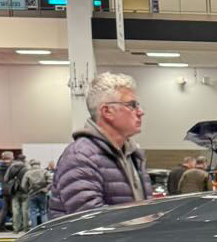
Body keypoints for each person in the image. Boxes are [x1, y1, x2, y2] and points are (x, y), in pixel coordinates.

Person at [48, 72, 152, 218]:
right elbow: (90, 219)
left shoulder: (133, 156)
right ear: (107, 111)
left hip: (127, 240)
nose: (141, 112)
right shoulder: (80, 156)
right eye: (132, 105)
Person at [23, 156, 52, 228]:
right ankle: (45, 228)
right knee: (43, 211)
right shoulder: (45, 172)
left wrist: (28, 191)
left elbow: (23, 185)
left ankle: (34, 228)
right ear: (39, 164)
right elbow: (51, 181)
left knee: (33, 212)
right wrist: (46, 189)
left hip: (32, 193)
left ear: (31, 165)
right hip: (42, 194)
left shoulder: (28, 173)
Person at [0, 149, 16, 229]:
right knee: (14, 209)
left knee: (4, 209)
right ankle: (15, 226)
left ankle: (0, 226)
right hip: (11, 189)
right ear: (10, 157)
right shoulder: (11, 166)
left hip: (4, 189)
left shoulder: (1, 165)